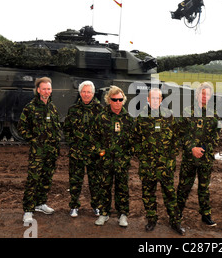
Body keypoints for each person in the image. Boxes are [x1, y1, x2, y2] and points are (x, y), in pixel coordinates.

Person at [134, 88, 185, 235]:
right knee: (148, 193)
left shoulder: (169, 116)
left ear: (161, 100)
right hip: (147, 164)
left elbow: (177, 138)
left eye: (158, 98)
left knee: (170, 194)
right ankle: (151, 220)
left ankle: (175, 222)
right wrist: (141, 156)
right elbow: (136, 139)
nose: (155, 101)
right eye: (153, 98)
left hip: (165, 165)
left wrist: (171, 157)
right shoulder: (141, 116)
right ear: (148, 100)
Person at [18, 77, 62, 224]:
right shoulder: (30, 108)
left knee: (46, 178)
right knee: (33, 180)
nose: (46, 91)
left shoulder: (53, 107)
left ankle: (40, 204)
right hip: (38, 152)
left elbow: (57, 128)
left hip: (51, 151)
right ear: (38, 90)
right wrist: (33, 140)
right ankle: (28, 210)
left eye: (49, 89)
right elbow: (21, 128)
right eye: (44, 89)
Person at [177, 82, 221, 227]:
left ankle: (206, 214)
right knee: (184, 186)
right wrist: (192, 148)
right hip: (189, 158)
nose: (204, 96)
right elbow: (180, 135)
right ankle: (178, 213)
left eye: (207, 94)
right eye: (202, 93)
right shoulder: (186, 112)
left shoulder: (214, 115)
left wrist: (204, 149)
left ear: (210, 97)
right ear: (197, 95)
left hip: (205, 158)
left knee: (204, 187)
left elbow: (216, 137)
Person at [94, 86, 135, 227]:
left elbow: (133, 140)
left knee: (122, 188)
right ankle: (104, 213)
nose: (118, 102)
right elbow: (95, 137)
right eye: (114, 99)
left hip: (122, 161)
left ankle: (122, 215)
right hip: (105, 161)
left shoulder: (128, 119)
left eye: (120, 99)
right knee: (104, 187)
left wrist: (128, 155)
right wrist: (100, 151)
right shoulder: (101, 117)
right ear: (109, 100)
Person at [63, 81, 104, 218]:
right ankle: (74, 206)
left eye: (89, 92)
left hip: (94, 154)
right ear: (80, 93)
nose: (86, 95)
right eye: (84, 92)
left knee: (96, 182)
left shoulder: (100, 109)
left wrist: (99, 148)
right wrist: (72, 144)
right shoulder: (73, 109)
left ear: (93, 94)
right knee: (75, 181)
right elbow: (67, 129)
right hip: (77, 153)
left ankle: (97, 206)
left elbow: (105, 132)